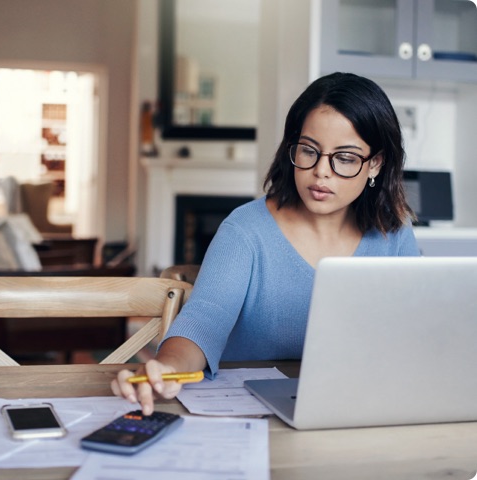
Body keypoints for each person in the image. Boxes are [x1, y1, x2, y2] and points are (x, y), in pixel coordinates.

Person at [112, 72, 420, 414]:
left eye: (345, 158)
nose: (321, 172)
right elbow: (203, 321)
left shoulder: (394, 231)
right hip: (250, 414)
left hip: (355, 408)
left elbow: (415, 331)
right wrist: (167, 368)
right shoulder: (245, 230)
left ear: (375, 163)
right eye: (309, 151)